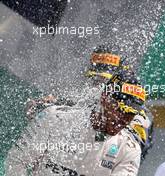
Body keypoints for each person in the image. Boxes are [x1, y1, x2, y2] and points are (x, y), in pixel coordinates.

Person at [24, 44, 154, 161]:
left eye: (103, 79)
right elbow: (80, 108)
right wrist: (50, 106)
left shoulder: (141, 116)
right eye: (94, 78)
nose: (96, 83)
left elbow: (135, 147)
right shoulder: (93, 101)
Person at [5, 70, 146, 176]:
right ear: (104, 98)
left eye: (131, 114)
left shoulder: (129, 149)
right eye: (121, 110)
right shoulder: (55, 119)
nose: (124, 119)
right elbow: (16, 162)